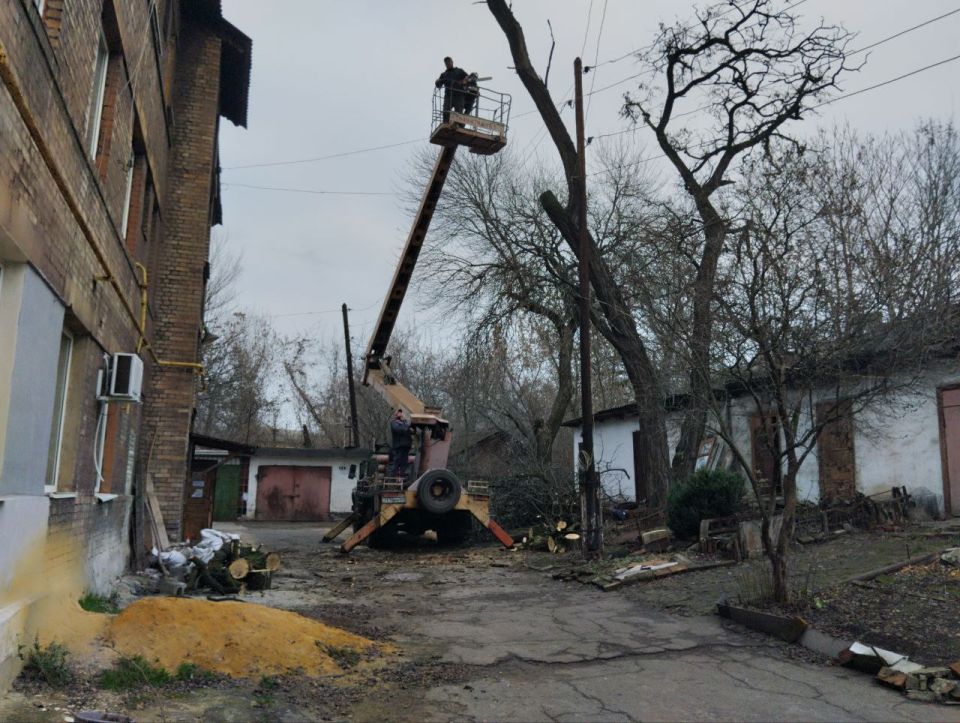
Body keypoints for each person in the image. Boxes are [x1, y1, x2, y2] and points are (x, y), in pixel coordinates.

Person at [435, 56, 470, 121]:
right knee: (446, 113)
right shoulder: (444, 74)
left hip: (459, 95)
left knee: (459, 113)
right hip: (448, 96)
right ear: (445, 64)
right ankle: (446, 125)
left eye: (449, 62)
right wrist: (437, 82)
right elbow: (439, 85)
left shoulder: (459, 71)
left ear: (452, 62)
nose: (448, 64)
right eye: (446, 63)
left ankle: (459, 125)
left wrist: (465, 80)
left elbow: (468, 78)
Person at [389, 408, 413, 481]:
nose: (401, 414)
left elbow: (412, 431)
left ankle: (403, 479)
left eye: (401, 412)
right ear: (396, 414)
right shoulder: (394, 423)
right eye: (399, 412)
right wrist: (408, 426)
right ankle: (391, 479)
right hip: (398, 446)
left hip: (406, 446)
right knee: (396, 462)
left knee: (404, 463)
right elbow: (401, 430)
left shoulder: (405, 423)